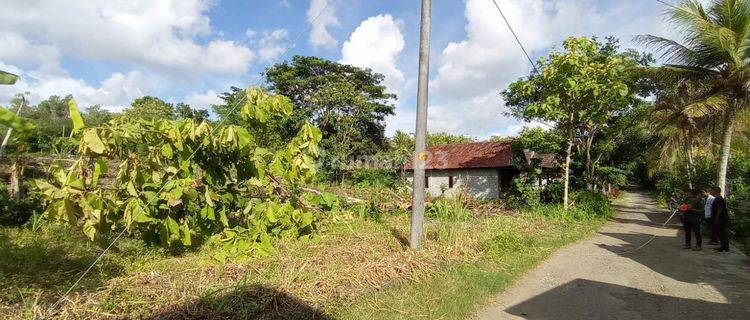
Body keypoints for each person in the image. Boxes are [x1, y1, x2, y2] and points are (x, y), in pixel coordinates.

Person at [710, 187, 730, 253]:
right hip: (718, 219)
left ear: (716, 191)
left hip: (720, 219)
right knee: (720, 233)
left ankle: (726, 248)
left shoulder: (719, 199)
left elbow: (720, 209)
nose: (710, 192)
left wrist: (717, 218)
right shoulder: (717, 198)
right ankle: (723, 246)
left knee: (722, 233)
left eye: (712, 190)